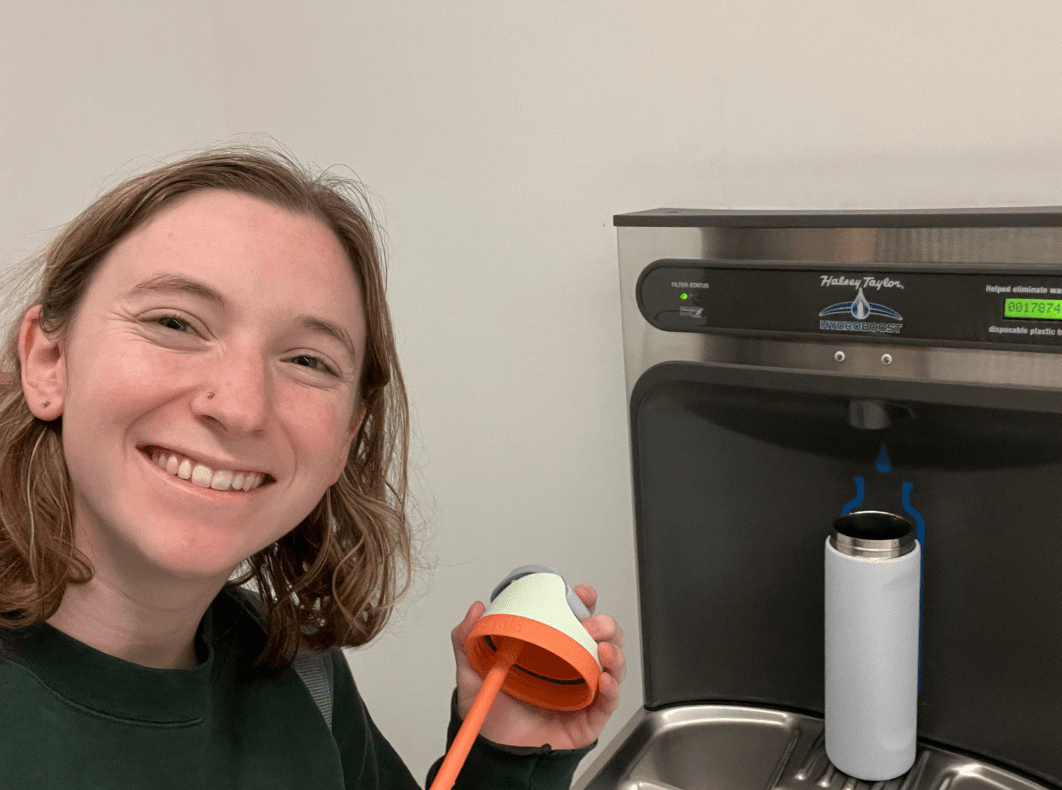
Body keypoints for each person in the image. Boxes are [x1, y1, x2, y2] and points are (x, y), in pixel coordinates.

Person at [0, 147, 626, 789]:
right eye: (175, 323)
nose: (240, 408)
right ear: (48, 361)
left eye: (307, 361)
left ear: (347, 436)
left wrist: (503, 757)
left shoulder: (303, 680)